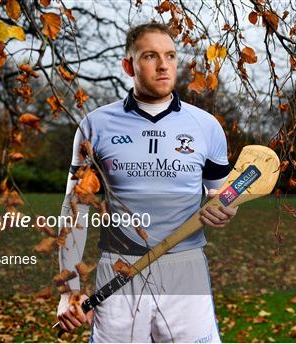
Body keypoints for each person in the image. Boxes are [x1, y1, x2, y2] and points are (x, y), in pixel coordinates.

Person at [56, 22, 238, 342]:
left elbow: (223, 195)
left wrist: (225, 207)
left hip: (186, 269)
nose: (164, 64)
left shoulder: (206, 126)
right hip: (118, 266)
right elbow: (75, 211)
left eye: (170, 55)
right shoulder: (95, 126)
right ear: (129, 65)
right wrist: (68, 290)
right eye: (150, 56)